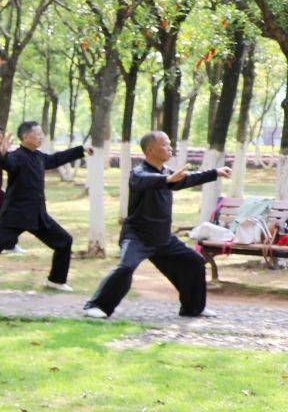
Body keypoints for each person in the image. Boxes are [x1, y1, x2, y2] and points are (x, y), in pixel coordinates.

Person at [84, 132, 228, 319]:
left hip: (163, 238)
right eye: (165, 145)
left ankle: (193, 308)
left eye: (170, 144)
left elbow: (187, 179)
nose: (170, 148)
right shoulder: (138, 173)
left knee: (194, 262)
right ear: (150, 150)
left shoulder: (167, 172)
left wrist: (215, 173)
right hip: (137, 237)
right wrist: (167, 180)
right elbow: (146, 181)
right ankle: (96, 306)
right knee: (126, 268)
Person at [0, 121, 89, 291]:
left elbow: (56, 159)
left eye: (42, 134)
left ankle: (56, 280)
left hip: (38, 215)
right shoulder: (16, 156)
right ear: (26, 137)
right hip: (14, 216)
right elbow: (8, 164)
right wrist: (3, 154)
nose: (41, 137)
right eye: (38, 134)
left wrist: (81, 150)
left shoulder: (39, 157)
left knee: (64, 241)